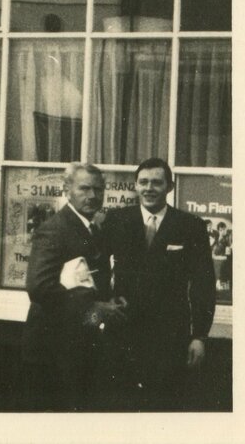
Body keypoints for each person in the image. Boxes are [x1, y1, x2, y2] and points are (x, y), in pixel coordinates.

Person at [101, 157, 215, 411]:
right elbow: (98, 267)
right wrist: (103, 304)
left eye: (156, 182)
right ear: (135, 186)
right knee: (120, 407)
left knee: (162, 407)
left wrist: (199, 336)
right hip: (122, 331)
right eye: (143, 182)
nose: (149, 188)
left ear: (169, 187)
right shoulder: (116, 220)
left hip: (169, 337)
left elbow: (203, 284)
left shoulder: (191, 226)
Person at [22, 163, 126, 411]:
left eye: (98, 190)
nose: (92, 196)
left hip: (80, 345)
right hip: (53, 347)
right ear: (67, 190)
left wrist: (110, 299)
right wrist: (93, 306)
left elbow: (89, 279)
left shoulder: (92, 227)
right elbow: (39, 287)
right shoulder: (54, 229)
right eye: (84, 189)